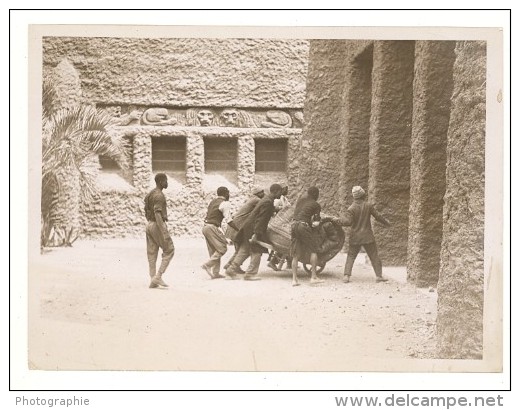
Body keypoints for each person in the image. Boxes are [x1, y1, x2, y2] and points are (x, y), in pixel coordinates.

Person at [225, 184, 283, 281]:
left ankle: (230, 270)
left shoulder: (266, 200)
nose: (281, 194)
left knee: (245, 249)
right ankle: (250, 274)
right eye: (280, 192)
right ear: (276, 191)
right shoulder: (267, 202)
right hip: (253, 229)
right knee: (257, 250)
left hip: (248, 227)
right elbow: (261, 220)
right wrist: (256, 234)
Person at [334, 186, 390, 283]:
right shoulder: (368, 206)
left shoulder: (351, 208)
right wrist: (387, 223)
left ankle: (346, 276)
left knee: (351, 255)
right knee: (374, 255)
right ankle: (379, 276)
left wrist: (338, 221)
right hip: (367, 236)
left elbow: (348, 222)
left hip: (355, 236)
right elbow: (378, 216)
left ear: (354, 196)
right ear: (363, 194)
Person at [223, 186, 265, 275]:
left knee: (240, 249)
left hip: (235, 226)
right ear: (258, 193)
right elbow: (265, 207)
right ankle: (231, 266)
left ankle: (230, 266)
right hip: (237, 227)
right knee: (242, 249)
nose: (264, 194)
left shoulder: (252, 199)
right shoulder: (256, 200)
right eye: (262, 192)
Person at [144, 173, 175, 288]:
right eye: (166, 180)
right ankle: (158, 276)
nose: (167, 183)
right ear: (161, 182)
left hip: (149, 224)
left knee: (152, 253)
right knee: (169, 249)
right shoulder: (159, 195)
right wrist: (164, 232)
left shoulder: (150, 194)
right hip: (157, 224)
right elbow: (157, 213)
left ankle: (153, 280)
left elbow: (146, 210)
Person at [291, 186, 324, 286]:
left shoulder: (300, 201)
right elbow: (316, 222)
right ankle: (313, 277)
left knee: (295, 253)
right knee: (313, 250)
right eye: (317, 194)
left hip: (293, 225)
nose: (318, 196)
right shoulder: (316, 205)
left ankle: (294, 280)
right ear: (315, 194)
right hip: (303, 226)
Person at [201, 186, 232, 279]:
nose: (229, 195)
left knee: (214, 250)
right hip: (212, 227)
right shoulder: (225, 203)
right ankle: (207, 265)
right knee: (222, 248)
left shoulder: (212, 202)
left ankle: (215, 273)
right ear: (226, 194)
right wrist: (236, 229)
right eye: (228, 193)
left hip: (205, 227)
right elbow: (228, 220)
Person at [268, 185, 292, 271]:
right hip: (278, 222)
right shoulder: (278, 200)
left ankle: (289, 264)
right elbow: (275, 210)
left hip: (283, 222)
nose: (286, 191)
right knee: (285, 242)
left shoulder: (285, 199)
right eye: (284, 190)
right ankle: (274, 262)